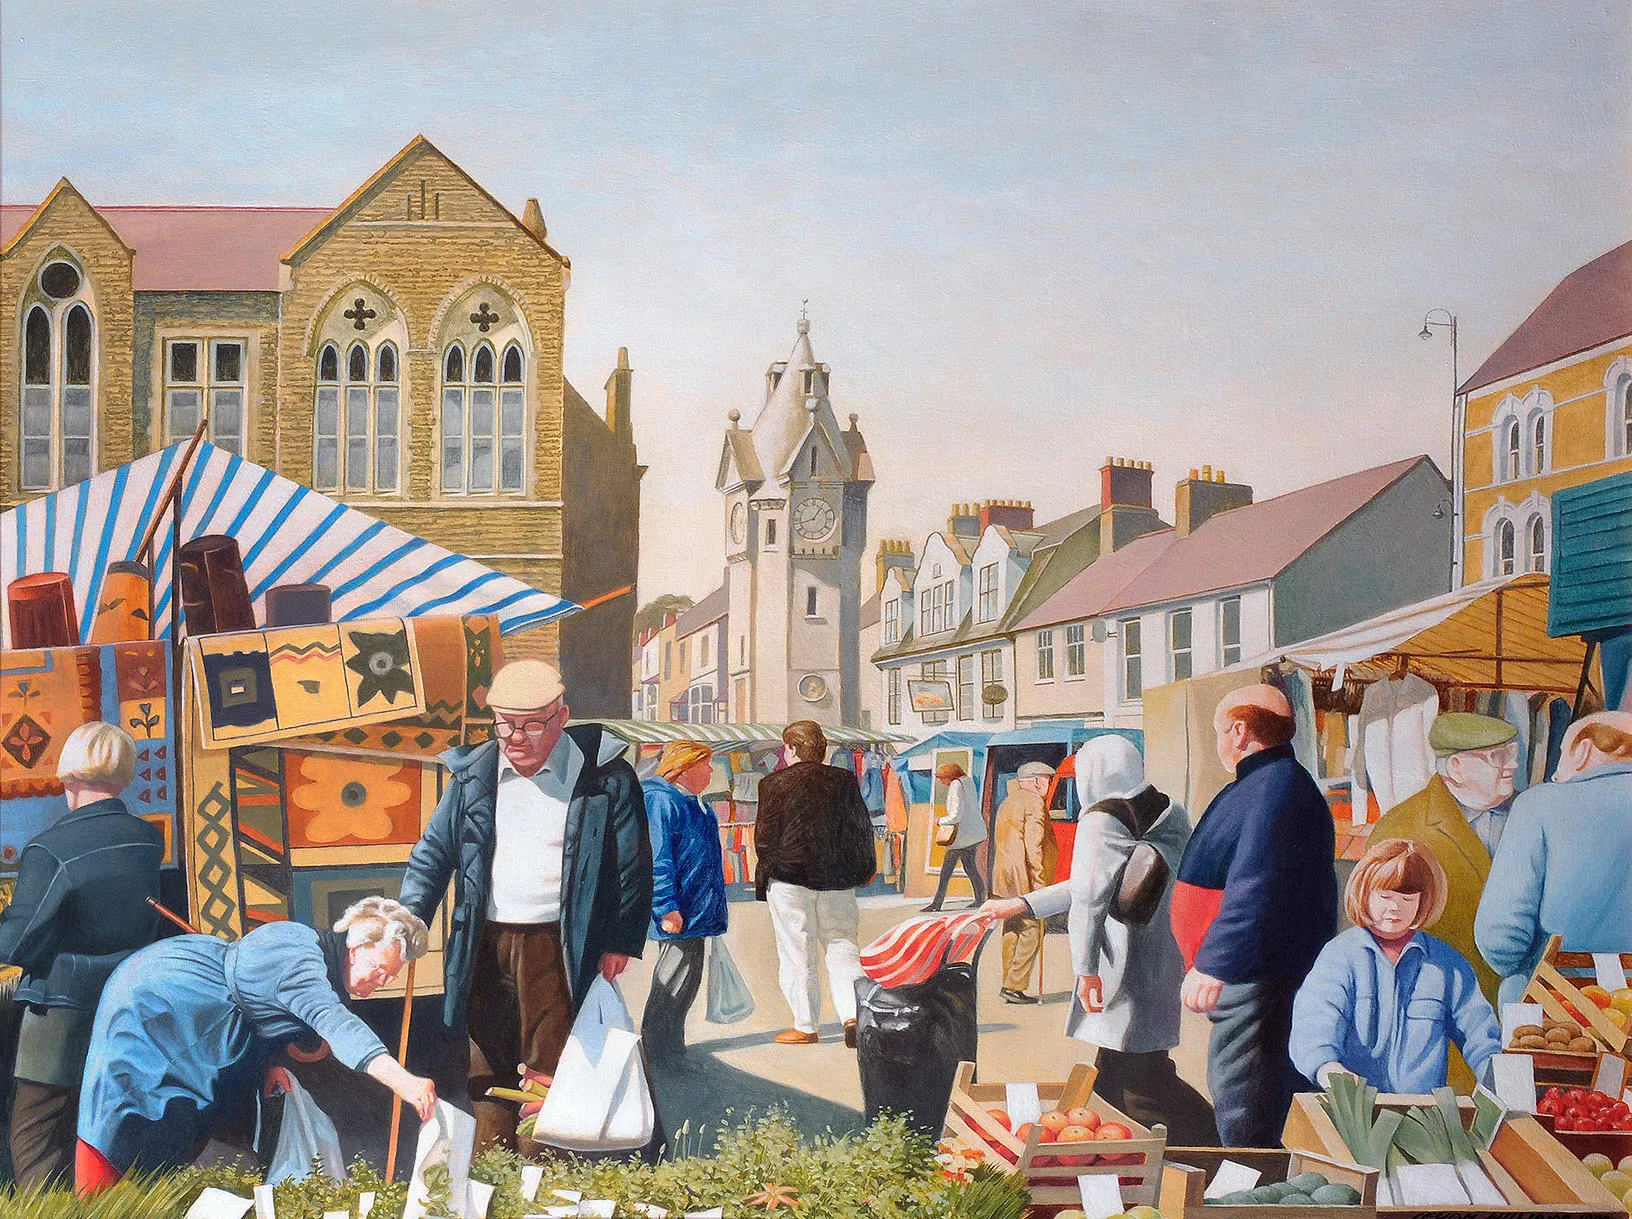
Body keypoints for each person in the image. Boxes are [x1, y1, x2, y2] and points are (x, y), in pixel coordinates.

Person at [399, 658, 653, 1151]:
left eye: (532, 725)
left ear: (562, 717)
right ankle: (492, 1164)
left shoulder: (605, 777)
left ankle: (540, 1168)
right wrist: (410, 919)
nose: (516, 738)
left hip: (556, 943)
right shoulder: (475, 776)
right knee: (484, 1060)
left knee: (548, 1064)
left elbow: (632, 865)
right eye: (506, 725)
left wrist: (620, 939)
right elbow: (432, 854)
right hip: (483, 938)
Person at [75, 897, 434, 1193]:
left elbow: (264, 1008)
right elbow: (336, 1024)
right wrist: (405, 1082)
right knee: (129, 1111)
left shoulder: (312, 954)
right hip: (168, 1005)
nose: (381, 981)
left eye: (390, 976)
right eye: (378, 968)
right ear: (355, 946)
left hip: (207, 1023)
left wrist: (269, 1065)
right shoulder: (302, 961)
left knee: (183, 1138)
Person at [982, 736, 1217, 1145]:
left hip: (1119, 959)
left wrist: (1086, 971)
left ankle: (1208, 1144)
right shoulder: (1171, 809)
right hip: (1162, 952)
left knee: (1138, 1080)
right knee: (1125, 1064)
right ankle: (1108, 1146)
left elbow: (1089, 898)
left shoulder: (1101, 817)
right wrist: (1023, 903)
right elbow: (1099, 882)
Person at [1171, 683, 1338, 1148]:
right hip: (1257, 975)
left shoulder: (1276, 788)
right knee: (1259, 1092)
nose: (1220, 742)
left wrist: (1213, 963)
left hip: (1258, 976)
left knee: (1246, 1096)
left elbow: (1256, 886)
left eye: (1220, 731)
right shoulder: (1269, 783)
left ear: (1240, 731)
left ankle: (1253, 1193)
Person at [0, 724, 164, 1188]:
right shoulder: (147, 840)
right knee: (97, 1126)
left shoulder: (50, 849)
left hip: (61, 1011)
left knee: (35, 1137)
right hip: (125, 999)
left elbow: (17, 944)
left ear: (66, 775)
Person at [1292, 839, 1500, 1095]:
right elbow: (1314, 1022)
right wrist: (1330, 1071)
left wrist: (1498, 1084)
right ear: (1364, 894)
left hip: (1424, 1116)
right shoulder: (1339, 957)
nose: (1395, 906)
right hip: (1351, 1111)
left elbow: (1481, 1036)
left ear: (1423, 900)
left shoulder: (1448, 965)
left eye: (1407, 897)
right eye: (1385, 895)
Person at [1476, 711, 1632, 1006]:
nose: (1554, 773)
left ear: (1584, 750)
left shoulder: (1539, 805)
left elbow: (1499, 936)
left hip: (1552, 1006)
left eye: (1562, 753)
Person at [1369, 713, 1518, 1011]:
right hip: (1441, 1011)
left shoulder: (1531, 814)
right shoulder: (1401, 828)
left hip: (1522, 1007)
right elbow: (1382, 941)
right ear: (1456, 767)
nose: (1513, 764)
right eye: (1497, 756)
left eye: (1512, 752)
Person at [754, 720, 877, 1046]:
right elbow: (860, 830)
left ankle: (805, 1026)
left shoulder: (773, 783)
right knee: (843, 947)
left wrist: (767, 871)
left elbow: (764, 840)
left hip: (790, 878)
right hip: (837, 879)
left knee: (797, 952)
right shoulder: (844, 780)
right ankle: (853, 1015)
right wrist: (864, 870)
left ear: (792, 748)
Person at [641, 740, 729, 1070]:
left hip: (697, 911)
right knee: (671, 983)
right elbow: (658, 859)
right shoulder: (662, 801)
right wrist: (666, 907)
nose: (710, 771)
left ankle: (671, 1050)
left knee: (686, 983)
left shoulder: (692, 803)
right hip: (680, 913)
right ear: (685, 767)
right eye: (705, 765)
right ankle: (658, 1053)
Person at [988, 761, 1057, 1004]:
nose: (1048, 785)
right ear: (1038, 780)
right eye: (1048, 780)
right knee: (1032, 928)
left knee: (1012, 928)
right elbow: (1033, 847)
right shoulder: (1034, 803)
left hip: (1004, 877)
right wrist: (1039, 884)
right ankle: (1014, 986)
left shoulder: (1009, 801)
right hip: (1025, 878)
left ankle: (1008, 983)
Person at [923, 762, 986, 911]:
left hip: (962, 837)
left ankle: (936, 904)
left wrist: (940, 820)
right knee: (970, 867)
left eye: (942, 778)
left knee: (946, 871)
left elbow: (956, 815)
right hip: (975, 833)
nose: (941, 782)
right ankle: (980, 899)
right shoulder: (968, 781)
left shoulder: (956, 785)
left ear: (950, 776)